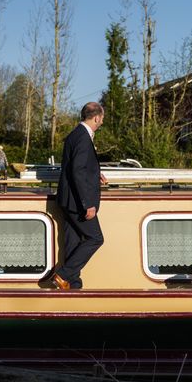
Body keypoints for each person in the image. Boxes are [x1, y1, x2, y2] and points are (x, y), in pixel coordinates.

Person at [52, 102, 108, 290]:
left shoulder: (75, 134)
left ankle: (72, 284)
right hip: (78, 202)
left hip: (67, 199)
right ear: (97, 117)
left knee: (73, 241)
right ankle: (63, 275)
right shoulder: (84, 138)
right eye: (102, 118)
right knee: (95, 238)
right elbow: (76, 170)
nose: (102, 122)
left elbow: (77, 166)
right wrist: (88, 204)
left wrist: (94, 174)